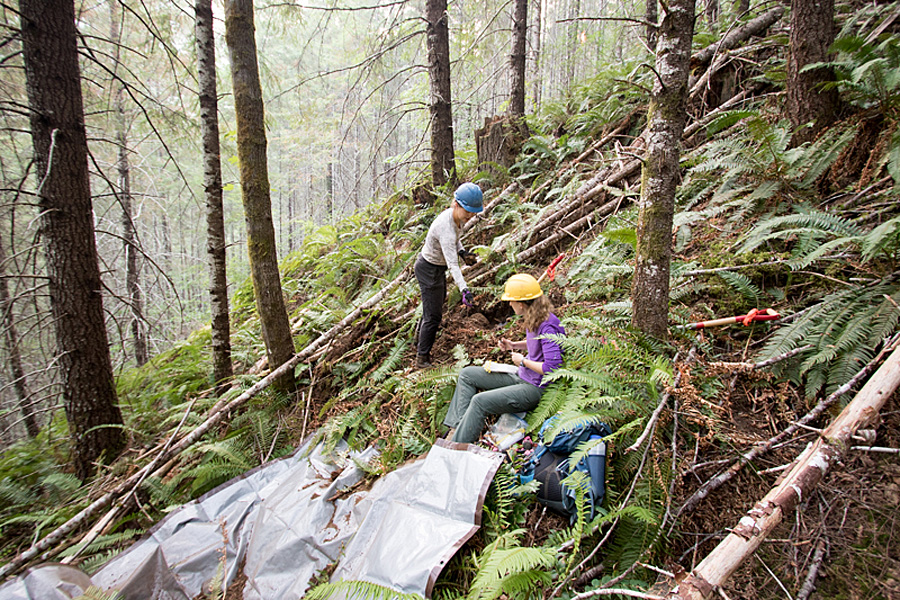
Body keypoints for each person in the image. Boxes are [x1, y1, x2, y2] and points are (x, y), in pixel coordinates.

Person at [444, 273, 565, 444]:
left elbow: (552, 367)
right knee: (467, 374)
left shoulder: (547, 325)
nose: (509, 303)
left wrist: (522, 361)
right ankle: (459, 427)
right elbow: (537, 344)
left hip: (535, 387)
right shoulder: (535, 316)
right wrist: (514, 345)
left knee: (479, 402)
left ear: (522, 304)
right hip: (522, 376)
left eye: (512, 300)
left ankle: (456, 448)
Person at [415, 182, 483, 369]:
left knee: (432, 308)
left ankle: (418, 342)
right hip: (429, 269)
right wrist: (465, 289)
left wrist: (463, 252)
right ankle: (422, 358)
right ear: (456, 204)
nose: (469, 216)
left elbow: (456, 240)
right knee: (434, 316)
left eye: (473, 213)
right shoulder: (445, 226)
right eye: (467, 211)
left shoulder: (454, 219)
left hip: (436, 268)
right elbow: (452, 265)